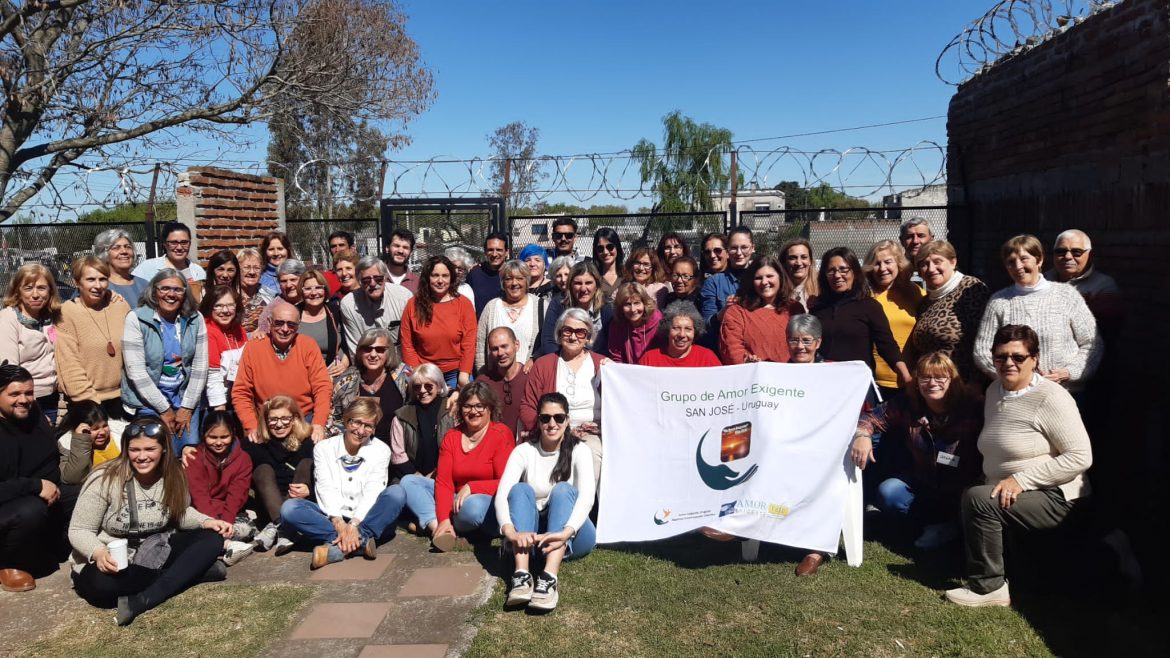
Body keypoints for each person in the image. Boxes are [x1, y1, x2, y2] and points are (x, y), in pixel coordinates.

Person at [945, 325, 1093, 607]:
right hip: (1013, 494)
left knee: (978, 500)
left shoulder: (1051, 397)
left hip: (1057, 496)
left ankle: (988, 588)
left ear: (1035, 359)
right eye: (1000, 357)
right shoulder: (994, 391)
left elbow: (1080, 456)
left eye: (1018, 357)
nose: (1008, 363)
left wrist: (1022, 481)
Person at [69, 418, 232, 625]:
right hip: (114, 559)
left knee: (211, 539)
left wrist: (206, 521)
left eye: (149, 449)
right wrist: (98, 552)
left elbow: (179, 514)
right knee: (100, 587)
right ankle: (191, 574)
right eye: (135, 450)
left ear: (163, 449)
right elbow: (79, 529)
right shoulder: (104, 478)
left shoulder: (173, 475)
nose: (142, 456)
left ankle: (144, 599)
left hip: (156, 549)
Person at [852, 352, 983, 549]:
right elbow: (872, 417)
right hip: (924, 482)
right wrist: (862, 435)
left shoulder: (972, 407)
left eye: (940, 377)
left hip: (961, 490)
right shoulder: (908, 403)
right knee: (889, 493)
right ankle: (934, 525)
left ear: (952, 380)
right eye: (925, 377)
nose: (932, 383)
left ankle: (954, 526)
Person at [497, 392, 596, 612]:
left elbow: (587, 497)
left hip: (574, 533)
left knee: (562, 490)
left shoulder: (580, 450)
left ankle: (549, 578)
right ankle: (522, 575)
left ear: (567, 420)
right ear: (538, 421)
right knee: (520, 489)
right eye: (545, 418)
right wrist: (509, 531)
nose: (552, 424)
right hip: (534, 538)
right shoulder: (523, 451)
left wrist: (566, 532)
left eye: (559, 418)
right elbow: (503, 494)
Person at [281, 398, 404, 569]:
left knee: (397, 493)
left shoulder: (381, 450)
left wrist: (354, 524)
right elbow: (325, 487)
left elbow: (373, 490)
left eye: (368, 426)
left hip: (366, 517)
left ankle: (341, 547)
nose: (361, 431)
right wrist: (338, 523)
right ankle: (361, 543)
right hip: (332, 517)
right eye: (356, 422)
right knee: (290, 508)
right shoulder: (323, 448)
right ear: (347, 420)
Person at [973, 235, 1102, 394]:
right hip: (1018, 395)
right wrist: (1017, 378)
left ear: (1039, 260)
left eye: (1024, 259)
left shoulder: (1067, 296)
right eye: (1011, 262)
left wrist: (1069, 372)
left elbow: (1092, 344)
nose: (1018, 266)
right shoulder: (999, 302)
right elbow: (982, 351)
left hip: (1065, 393)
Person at [400, 382, 514, 551]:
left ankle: (449, 527)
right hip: (455, 499)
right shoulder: (452, 436)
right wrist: (444, 517)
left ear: (490, 408)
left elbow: (507, 483)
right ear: (460, 409)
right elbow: (444, 482)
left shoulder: (501, 434)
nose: (473, 411)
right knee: (409, 482)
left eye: (479, 406)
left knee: (474, 506)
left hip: (485, 501)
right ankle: (441, 528)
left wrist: (472, 487)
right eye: (467, 406)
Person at [121, 270, 208, 456]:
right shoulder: (137, 319)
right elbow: (135, 371)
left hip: (184, 397)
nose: (171, 294)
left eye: (178, 289)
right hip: (148, 401)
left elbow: (200, 366)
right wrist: (164, 409)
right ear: (154, 291)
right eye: (165, 288)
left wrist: (187, 407)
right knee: (156, 452)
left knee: (189, 450)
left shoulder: (195, 319)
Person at [0, 364, 67, 593]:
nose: (24, 399)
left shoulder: (34, 414)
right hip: (11, 502)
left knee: (84, 492)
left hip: (41, 492)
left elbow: (48, 456)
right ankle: (9, 563)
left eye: (29, 392)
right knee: (30, 511)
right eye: (14, 394)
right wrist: (35, 486)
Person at [523, 308, 607, 484]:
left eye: (580, 332)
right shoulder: (544, 364)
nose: (573, 337)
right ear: (559, 333)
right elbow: (528, 405)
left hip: (591, 433)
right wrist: (544, 429)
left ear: (588, 336)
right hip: (553, 431)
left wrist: (614, 372)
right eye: (567, 330)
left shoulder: (602, 364)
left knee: (591, 456)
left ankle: (583, 507)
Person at [231, 300, 332, 444]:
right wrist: (251, 426)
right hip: (268, 421)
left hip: (302, 419)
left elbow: (322, 387)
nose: (285, 329)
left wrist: (318, 423)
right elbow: (241, 392)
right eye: (279, 323)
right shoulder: (254, 348)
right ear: (269, 322)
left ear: (298, 326)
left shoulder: (308, 346)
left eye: (291, 324)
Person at [811, 247, 910, 388]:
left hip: (857, 386)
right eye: (831, 270)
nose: (837, 275)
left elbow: (886, 345)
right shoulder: (817, 308)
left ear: (855, 273)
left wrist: (905, 375)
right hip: (824, 383)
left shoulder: (869, 306)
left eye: (844, 269)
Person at [55, 256, 131, 422]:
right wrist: (90, 403)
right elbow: (69, 364)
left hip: (124, 398)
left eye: (102, 279)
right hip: (87, 403)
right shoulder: (67, 312)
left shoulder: (120, 306)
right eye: (90, 279)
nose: (97, 286)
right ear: (77, 282)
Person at [904, 240, 990, 383]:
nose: (931, 269)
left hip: (962, 384)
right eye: (924, 264)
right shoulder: (926, 301)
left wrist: (976, 384)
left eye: (937, 261)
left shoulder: (970, 289)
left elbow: (982, 341)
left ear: (953, 262)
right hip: (932, 385)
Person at [184, 411, 256, 566]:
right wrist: (215, 524)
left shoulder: (243, 459)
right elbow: (199, 496)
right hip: (202, 515)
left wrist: (225, 524)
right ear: (203, 435)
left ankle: (218, 544)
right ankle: (226, 546)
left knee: (247, 529)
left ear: (232, 434)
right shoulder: (194, 457)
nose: (218, 442)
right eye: (212, 437)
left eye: (224, 437)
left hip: (227, 514)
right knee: (187, 528)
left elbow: (236, 496)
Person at [244, 396, 314, 553]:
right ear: (266, 421)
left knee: (306, 463)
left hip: (297, 501)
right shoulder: (255, 442)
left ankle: (280, 527)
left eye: (285, 418)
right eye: (273, 419)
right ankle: (284, 527)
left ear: (295, 418)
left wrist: (310, 489)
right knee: (262, 469)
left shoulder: (308, 440)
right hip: (270, 503)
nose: (279, 424)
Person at [401, 255, 478, 389]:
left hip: (456, 372)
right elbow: (407, 344)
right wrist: (418, 374)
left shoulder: (464, 304)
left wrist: (464, 374)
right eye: (435, 275)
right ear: (427, 278)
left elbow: (469, 343)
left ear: (451, 278)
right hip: (425, 371)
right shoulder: (413, 305)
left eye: (445, 276)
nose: (440, 280)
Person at [864, 240, 925, 401]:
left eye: (888, 262)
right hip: (871, 382)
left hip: (909, 381)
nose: (882, 268)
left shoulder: (915, 293)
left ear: (899, 264)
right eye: (877, 263)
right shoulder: (864, 296)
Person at [0, 263, 61, 422]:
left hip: (51, 396)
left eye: (41, 288)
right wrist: (32, 409)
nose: (35, 294)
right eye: (28, 288)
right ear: (17, 292)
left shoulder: (54, 317)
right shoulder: (8, 319)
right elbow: (9, 371)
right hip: (24, 400)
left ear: (50, 291)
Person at [328, 327, 408, 438]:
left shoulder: (404, 376)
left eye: (380, 349)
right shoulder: (346, 380)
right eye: (367, 349)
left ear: (388, 352)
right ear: (360, 352)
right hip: (355, 445)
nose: (373, 354)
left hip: (396, 446)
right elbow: (333, 419)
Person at [720, 256, 800, 365]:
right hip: (753, 377)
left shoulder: (795, 308)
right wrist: (747, 361)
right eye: (758, 278)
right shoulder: (737, 311)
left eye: (769, 276)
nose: (764, 282)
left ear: (780, 277)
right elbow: (731, 348)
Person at [1043, 229, 1122, 337]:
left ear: (1090, 255)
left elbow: (1101, 332)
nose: (1067, 257)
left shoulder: (1103, 286)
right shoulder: (1041, 281)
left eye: (1076, 252)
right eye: (1060, 251)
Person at [388, 364, 456, 486]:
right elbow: (398, 455)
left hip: (446, 477)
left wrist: (436, 475)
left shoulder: (451, 410)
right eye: (417, 387)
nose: (422, 390)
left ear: (439, 385)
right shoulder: (401, 416)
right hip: (409, 478)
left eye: (428, 386)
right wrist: (418, 478)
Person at [476, 260, 542, 372]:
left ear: (527, 281)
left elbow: (546, 343)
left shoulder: (541, 306)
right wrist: (482, 373)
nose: (514, 283)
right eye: (508, 279)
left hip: (529, 377)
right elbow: (480, 344)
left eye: (520, 278)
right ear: (502, 283)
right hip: (496, 377)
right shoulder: (492, 306)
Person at [538, 260, 614, 358]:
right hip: (564, 361)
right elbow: (548, 341)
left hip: (598, 363)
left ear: (597, 285)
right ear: (570, 285)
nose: (583, 289)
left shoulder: (607, 306)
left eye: (588, 283)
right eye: (578, 283)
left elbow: (614, 345)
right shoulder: (559, 303)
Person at [340, 255, 413, 354]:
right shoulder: (348, 304)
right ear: (359, 282)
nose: (373, 284)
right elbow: (356, 350)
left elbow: (413, 343)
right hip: (369, 364)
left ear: (386, 277)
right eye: (366, 280)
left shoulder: (404, 297)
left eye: (378, 278)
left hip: (401, 362)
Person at [200, 285, 247, 411]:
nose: (225, 310)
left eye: (230, 305)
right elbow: (213, 374)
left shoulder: (238, 328)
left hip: (236, 396)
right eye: (218, 305)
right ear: (209, 307)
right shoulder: (207, 330)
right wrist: (220, 410)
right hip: (214, 401)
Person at [701, 227, 754, 337]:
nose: (739, 253)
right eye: (734, 248)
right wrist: (723, 313)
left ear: (752, 248)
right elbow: (706, 323)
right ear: (728, 250)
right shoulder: (713, 282)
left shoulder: (761, 278)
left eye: (744, 247)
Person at [478, 327, 530, 435]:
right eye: (495, 349)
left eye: (504, 346)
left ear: (516, 345)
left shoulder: (531, 378)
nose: (500, 353)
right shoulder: (483, 382)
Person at [297, 269, 349, 377]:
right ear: (301, 291)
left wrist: (344, 363)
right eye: (307, 289)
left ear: (325, 290)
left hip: (335, 372)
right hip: (304, 374)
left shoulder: (335, 311)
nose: (313, 293)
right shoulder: (294, 314)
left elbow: (348, 342)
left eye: (318, 287)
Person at [638, 301, 721, 368]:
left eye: (688, 329)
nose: (682, 335)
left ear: (695, 332)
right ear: (667, 330)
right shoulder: (649, 359)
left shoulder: (707, 358)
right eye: (676, 328)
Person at [57, 400, 120, 486]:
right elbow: (72, 479)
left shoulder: (120, 434)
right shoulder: (67, 444)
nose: (102, 432)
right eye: (95, 429)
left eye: (105, 426)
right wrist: (80, 442)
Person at [132, 222, 206, 288]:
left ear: (190, 244)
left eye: (184, 242)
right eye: (173, 243)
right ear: (165, 244)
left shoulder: (198, 271)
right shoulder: (147, 268)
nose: (179, 247)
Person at [608, 282, 662, 364]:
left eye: (637, 303)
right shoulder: (617, 325)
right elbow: (616, 356)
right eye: (627, 304)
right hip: (628, 372)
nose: (633, 309)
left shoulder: (658, 322)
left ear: (645, 304)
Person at [93, 229, 148, 306]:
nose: (124, 251)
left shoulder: (145, 284)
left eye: (128, 247)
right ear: (104, 254)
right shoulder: (97, 286)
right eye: (116, 248)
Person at [255, 258, 305, 334]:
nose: (288, 285)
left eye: (293, 280)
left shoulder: (311, 300)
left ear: (303, 279)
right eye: (284, 281)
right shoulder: (271, 310)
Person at [468, 232, 509, 317]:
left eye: (499, 250)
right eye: (490, 250)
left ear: (506, 252)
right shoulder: (475, 274)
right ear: (485, 252)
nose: (494, 254)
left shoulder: (513, 274)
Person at [237, 247, 274, 334]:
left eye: (257, 268)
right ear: (238, 270)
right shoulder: (229, 296)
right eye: (247, 267)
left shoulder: (270, 295)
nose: (252, 272)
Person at [779, 238, 819, 312]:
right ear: (784, 262)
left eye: (804, 257)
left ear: (810, 260)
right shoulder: (777, 291)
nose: (799, 263)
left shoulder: (822, 288)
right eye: (792, 258)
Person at [382, 228, 420, 292]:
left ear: (411, 252)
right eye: (396, 246)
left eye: (405, 247)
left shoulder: (418, 283)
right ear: (387, 248)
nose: (400, 251)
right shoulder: (375, 277)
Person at [592, 227, 624, 302]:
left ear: (617, 248)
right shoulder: (593, 276)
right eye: (600, 248)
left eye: (610, 247)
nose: (605, 252)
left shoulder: (627, 275)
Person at [899, 217, 933, 288]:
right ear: (902, 241)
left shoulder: (939, 268)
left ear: (931, 239)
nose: (915, 241)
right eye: (909, 237)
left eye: (921, 236)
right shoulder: (895, 269)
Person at [322, 230, 354, 296]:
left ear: (351, 248)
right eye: (333, 246)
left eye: (341, 245)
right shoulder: (324, 278)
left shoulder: (362, 274)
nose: (337, 249)